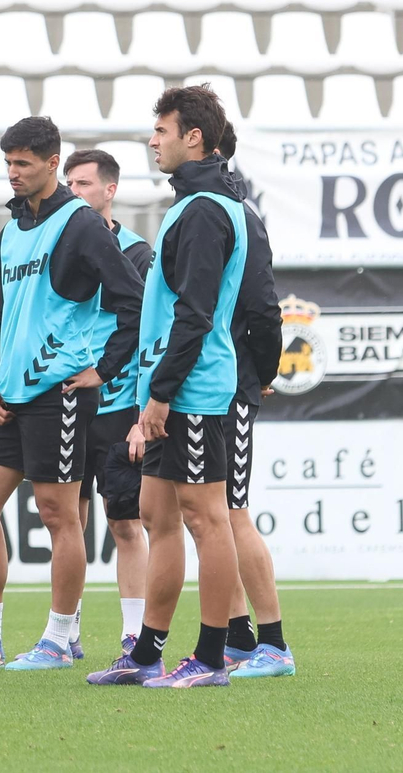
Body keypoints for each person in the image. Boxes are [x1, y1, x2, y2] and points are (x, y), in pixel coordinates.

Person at [0, 116, 142, 672]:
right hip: (11, 396)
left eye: (23, 163)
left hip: (60, 392)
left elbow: (134, 302)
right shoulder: (12, 228)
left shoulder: (81, 224)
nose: (13, 173)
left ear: (52, 164)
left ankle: (59, 637)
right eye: (8, 163)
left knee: (57, 514)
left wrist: (103, 369)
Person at [88, 84, 247, 688]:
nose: (152, 140)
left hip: (195, 391)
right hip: (166, 388)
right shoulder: (190, 203)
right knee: (157, 513)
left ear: (194, 137)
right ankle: (148, 652)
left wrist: (160, 395)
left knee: (208, 518)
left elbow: (196, 313)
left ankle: (212, 658)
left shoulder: (207, 208)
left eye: (162, 130)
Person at [62, 148, 154, 655]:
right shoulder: (57, 243)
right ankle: (65, 631)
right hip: (69, 401)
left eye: (82, 185)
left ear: (109, 190)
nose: (73, 192)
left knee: (124, 522)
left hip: (119, 406)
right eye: (68, 184)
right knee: (66, 518)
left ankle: (133, 633)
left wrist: (143, 415)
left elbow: (151, 333)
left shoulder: (139, 254)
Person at [212, 124, 293, 680]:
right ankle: (239, 637)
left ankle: (274, 644)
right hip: (209, 385)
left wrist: (262, 371)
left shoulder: (239, 217)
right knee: (209, 515)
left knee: (233, 513)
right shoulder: (209, 211)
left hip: (233, 384)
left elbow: (264, 308)